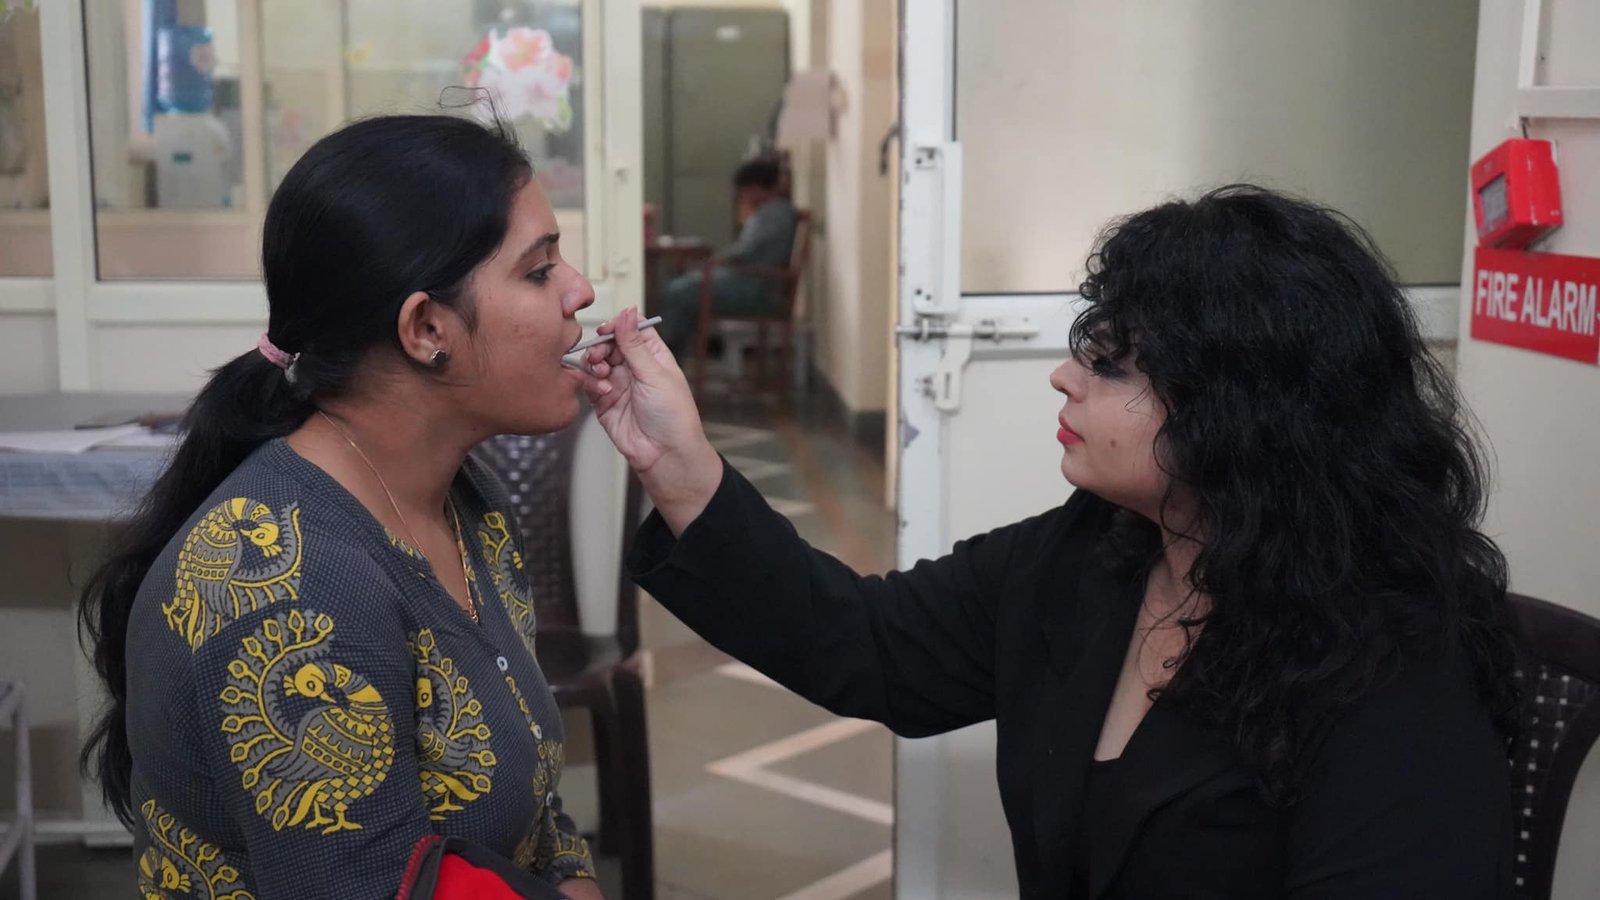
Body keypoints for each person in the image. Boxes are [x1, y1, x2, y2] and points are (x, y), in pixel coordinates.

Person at [578, 185, 1519, 898]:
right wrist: (681, 466)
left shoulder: (1390, 656)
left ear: (1244, 413)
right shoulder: (1097, 554)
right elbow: (863, 643)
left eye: (1110, 363)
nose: (1064, 378)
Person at [79, 115, 605, 900]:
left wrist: (570, 877)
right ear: (428, 329)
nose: (581, 290)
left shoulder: (468, 502)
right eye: (538, 272)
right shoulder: (285, 588)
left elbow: (528, 777)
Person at [657, 158, 798, 353]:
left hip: (755, 287)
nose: (741, 195)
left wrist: (718, 260)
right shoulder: (770, 211)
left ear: (757, 187)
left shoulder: (774, 214)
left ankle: (672, 352)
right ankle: (675, 349)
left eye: (744, 189)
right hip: (747, 279)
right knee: (683, 286)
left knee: (679, 292)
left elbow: (746, 250)